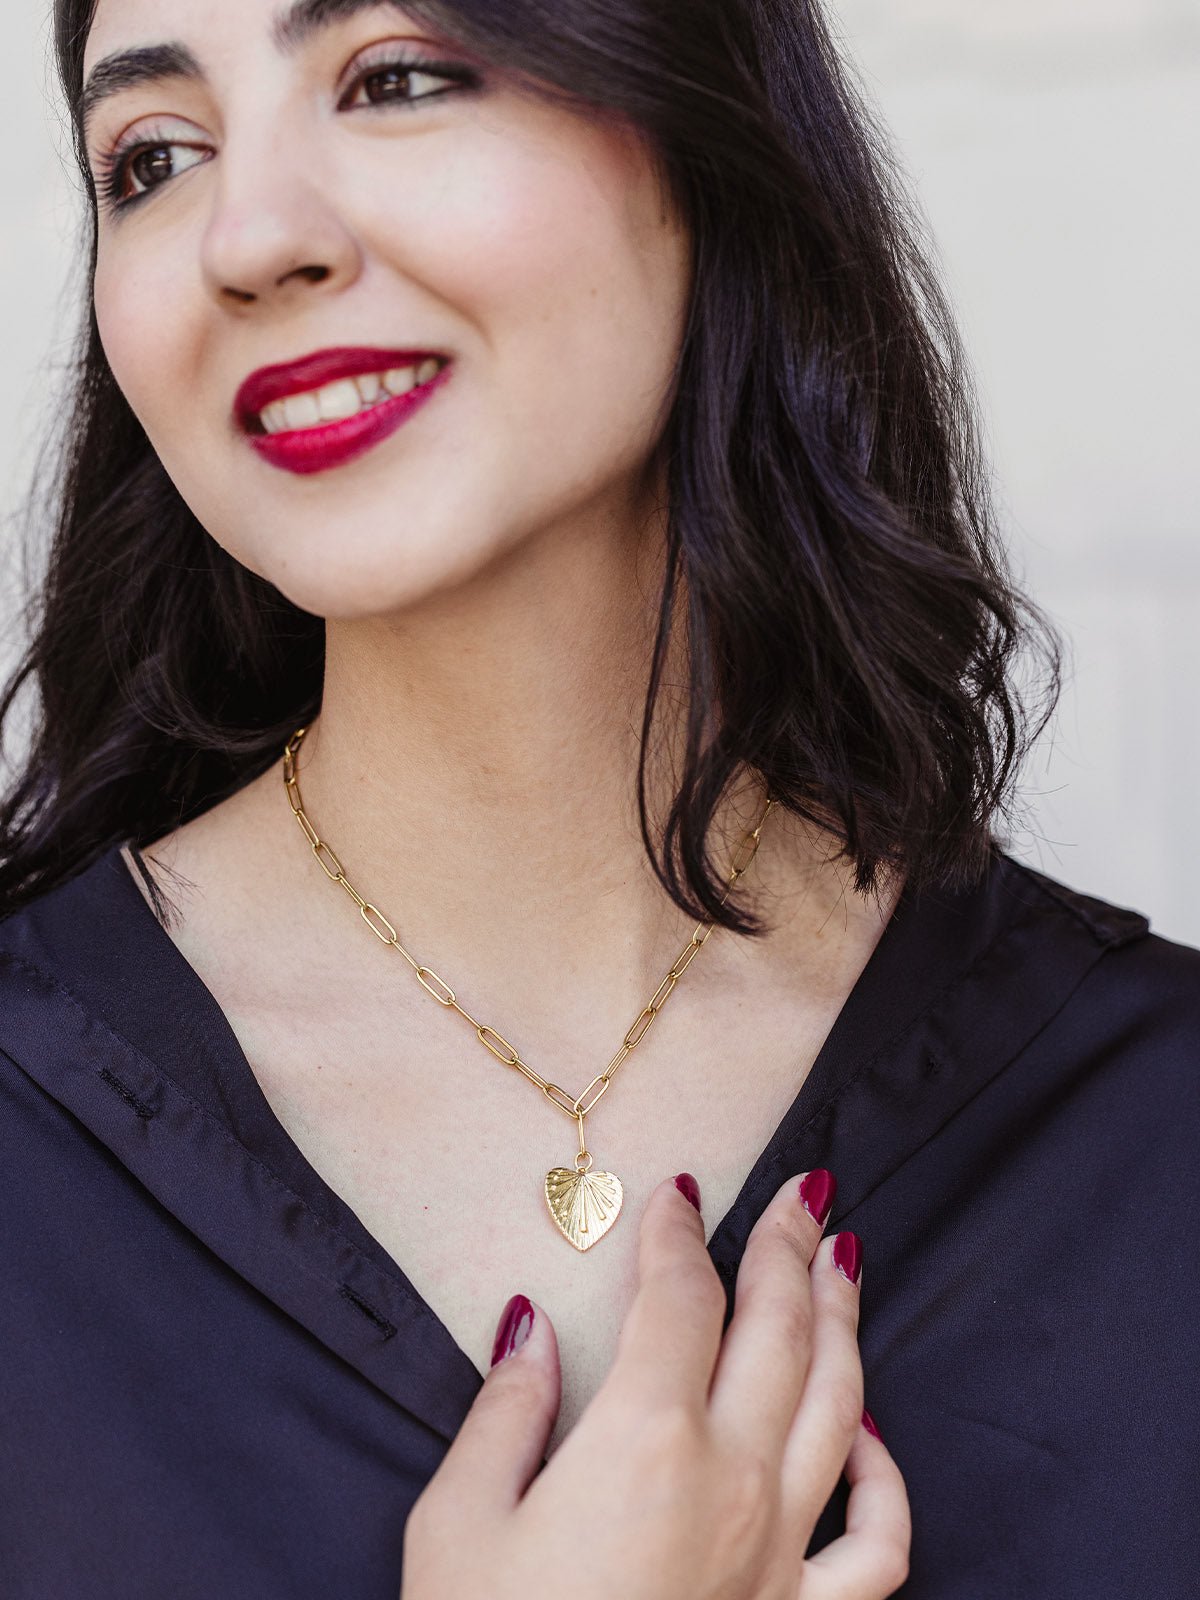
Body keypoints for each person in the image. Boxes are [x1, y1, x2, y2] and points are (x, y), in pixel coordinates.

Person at [0, 0, 1195, 1594]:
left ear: (702, 129)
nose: (249, 237)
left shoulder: (1154, 1134)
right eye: (153, 158)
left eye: (395, 78)